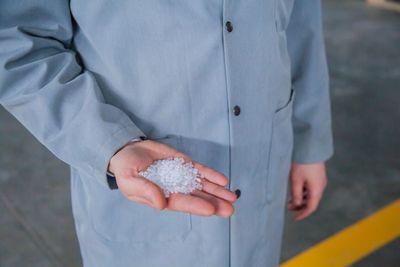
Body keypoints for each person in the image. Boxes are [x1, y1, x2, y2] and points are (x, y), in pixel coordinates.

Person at [0, 0, 333, 266]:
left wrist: (309, 143)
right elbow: (16, 43)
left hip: (260, 161)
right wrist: (110, 144)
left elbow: (302, 25)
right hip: (140, 184)